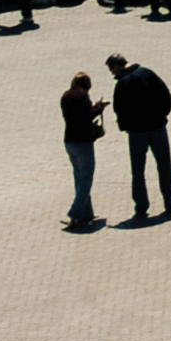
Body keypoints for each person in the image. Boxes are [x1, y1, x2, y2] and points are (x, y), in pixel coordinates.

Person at [105, 53, 171, 222]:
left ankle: (141, 207)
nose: (111, 73)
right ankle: (170, 203)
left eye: (111, 68)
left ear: (118, 65)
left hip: (137, 133)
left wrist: (125, 127)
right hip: (158, 128)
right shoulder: (148, 73)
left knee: (138, 171)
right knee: (164, 166)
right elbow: (165, 94)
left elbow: (119, 109)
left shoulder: (122, 84)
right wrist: (162, 116)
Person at [61, 70, 107, 229]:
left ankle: (86, 213)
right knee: (86, 179)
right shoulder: (82, 96)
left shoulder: (65, 96)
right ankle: (74, 213)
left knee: (79, 178)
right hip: (83, 143)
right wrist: (99, 108)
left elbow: (75, 115)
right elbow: (87, 116)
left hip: (69, 142)